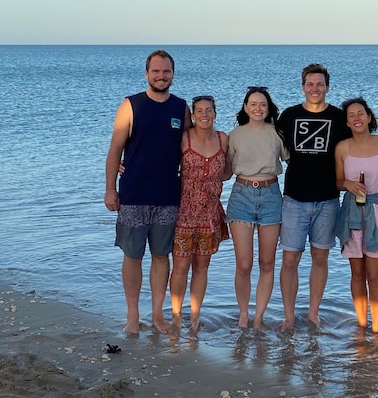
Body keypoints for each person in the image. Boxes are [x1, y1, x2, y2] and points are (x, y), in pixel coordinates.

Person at [104, 49, 191, 335]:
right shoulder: (131, 105)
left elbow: (191, 148)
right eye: (156, 71)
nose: (161, 76)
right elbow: (115, 150)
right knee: (132, 255)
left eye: (166, 71)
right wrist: (110, 190)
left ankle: (157, 315)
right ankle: (132, 316)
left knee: (160, 256)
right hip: (133, 195)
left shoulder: (181, 108)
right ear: (146, 73)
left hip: (168, 196)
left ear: (173, 74)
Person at [277, 63, 350, 329]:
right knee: (290, 259)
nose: (315, 89)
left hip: (328, 199)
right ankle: (288, 315)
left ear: (327, 87)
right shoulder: (288, 115)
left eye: (320, 84)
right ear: (303, 86)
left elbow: (355, 148)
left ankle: (313, 313)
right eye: (310, 84)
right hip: (294, 199)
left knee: (320, 258)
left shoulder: (339, 117)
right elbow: (270, 146)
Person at [225, 87, 289, 329]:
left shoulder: (277, 133)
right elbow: (224, 171)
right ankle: (243, 314)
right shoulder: (235, 136)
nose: (258, 108)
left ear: (268, 107)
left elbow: (296, 161)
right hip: (241, 195)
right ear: (245, 107)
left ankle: (259, 317)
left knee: (267, 262)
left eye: (263, 104)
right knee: (244, 264)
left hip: (271, 195)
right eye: (253, 104)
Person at [334, 97, 378, 334]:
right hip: (351, 212)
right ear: (347, 122)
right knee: (357, 274)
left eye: (361, 113)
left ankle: (377, 330)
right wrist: (347, 184)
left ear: (369, 117)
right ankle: (361, 325)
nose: (357, 118)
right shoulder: (342, 147)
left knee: (374, 275)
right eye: (351, 115)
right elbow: (338, 182)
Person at [170, 95, 230, 333]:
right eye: (199, 111)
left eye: (209, 110)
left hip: (210, 214)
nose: (204, 115)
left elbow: (228, 172)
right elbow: (162, 162)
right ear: (192, 116)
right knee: (181, 267)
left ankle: (195, 316)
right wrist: (127, 163)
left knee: (202, 267)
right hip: (183, 213)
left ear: (215, 113)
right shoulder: (183, 138)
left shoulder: (222, 139)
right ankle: (176, 316)